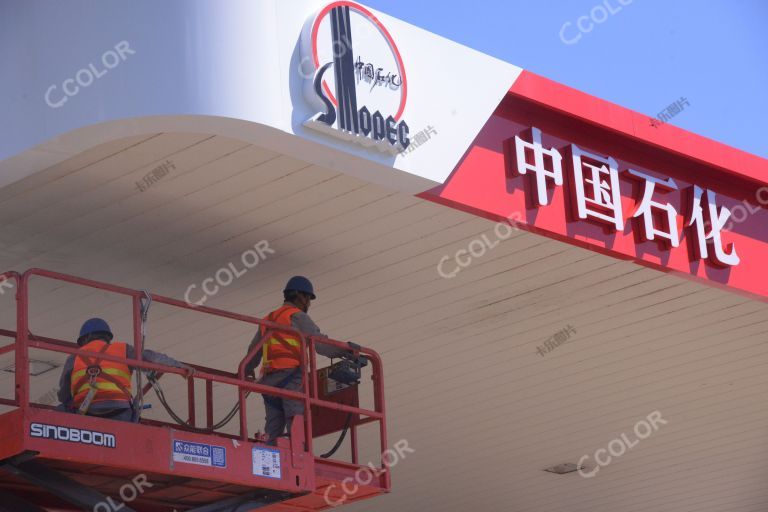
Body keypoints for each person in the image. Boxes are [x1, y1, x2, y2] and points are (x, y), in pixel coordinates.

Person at [244, 276, 354, 444]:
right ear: (300, 296)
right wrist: (347, 349)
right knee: (294, 417)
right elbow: (321, 344)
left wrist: (247, 370)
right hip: (291, 378)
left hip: (269, 382)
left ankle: (271, 453)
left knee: (273, 427)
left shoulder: (268, 319)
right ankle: (298, 454)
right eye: (309, 299)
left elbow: (253, 352)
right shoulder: (298, 317)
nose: (309, 304)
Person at [57, 317, 194, 422]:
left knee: (60, 411)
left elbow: (63, 395)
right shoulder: (122, 349)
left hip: (86, 412)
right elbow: (151, 357)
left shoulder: (74, 357)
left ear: (84, 339)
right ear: (107, 337)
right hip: (120, 412)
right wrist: (179, 366)